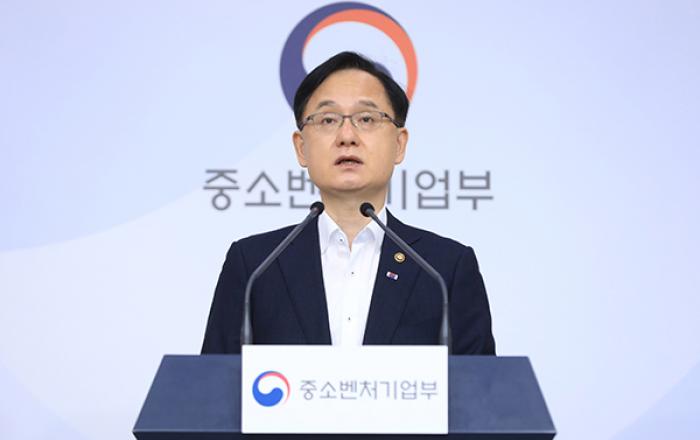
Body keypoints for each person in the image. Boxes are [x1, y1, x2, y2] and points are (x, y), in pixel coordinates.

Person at [202, 52, 495, 355]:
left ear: (399, 144)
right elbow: (211, 380)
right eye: (328, 120)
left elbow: (482, 382)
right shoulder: (255, 266)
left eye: (366, 119)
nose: (346, 136)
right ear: (301, 148)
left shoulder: (444, 269)